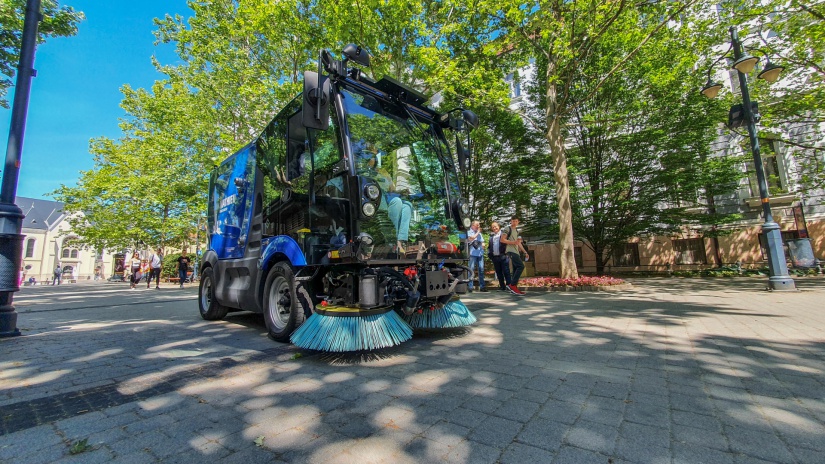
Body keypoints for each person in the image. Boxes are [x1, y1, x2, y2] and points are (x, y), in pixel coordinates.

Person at [357, 145, 413, 253]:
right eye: (368, 155)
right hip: (376, 205)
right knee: (397, 202)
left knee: (407, 206)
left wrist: (401, 192)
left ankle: (401, 240)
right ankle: (392, 237)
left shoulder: (383, 173)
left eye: (374, 156)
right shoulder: (361, 173)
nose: (371, 159)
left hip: (387, 201)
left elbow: (392, 190)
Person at [500, 216, 529, 295]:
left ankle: (514, 287)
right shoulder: (507, 228)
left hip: (516, 252)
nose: (514, 223)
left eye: (516, 221)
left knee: (516, 269)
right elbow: (502, 240)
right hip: (510, 251)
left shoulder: (516, 230)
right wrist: (513, 242)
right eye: (513, 221)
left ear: (518, 222)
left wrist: (525, 252)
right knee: (521, 266)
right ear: (511, 221)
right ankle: (512, 285)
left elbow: (518, 243)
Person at [488, 221, 512, 291]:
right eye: (493, 227)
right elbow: (489, 247)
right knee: (499, 273)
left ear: (499, 227)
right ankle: (502, 287)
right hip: (495, 257)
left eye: (495, 226)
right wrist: (490, 255)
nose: (494, 228)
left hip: (503, 256)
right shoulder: (491, 237)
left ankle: (509, 286)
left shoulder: (503, 235)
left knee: (506, 272)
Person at [467, 221, 487, 292]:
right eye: (477, 225)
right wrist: (478, 232)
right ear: (472, 225)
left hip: (480, 253)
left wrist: (483, 244)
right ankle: (470, 287)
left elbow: (482, 241)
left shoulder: (479, 233)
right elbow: (471, 238)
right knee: (471, 270)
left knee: (481, 269)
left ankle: (482, 287)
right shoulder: (469, 232)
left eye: (479, 225)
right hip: (472, 254)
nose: (478, 226)